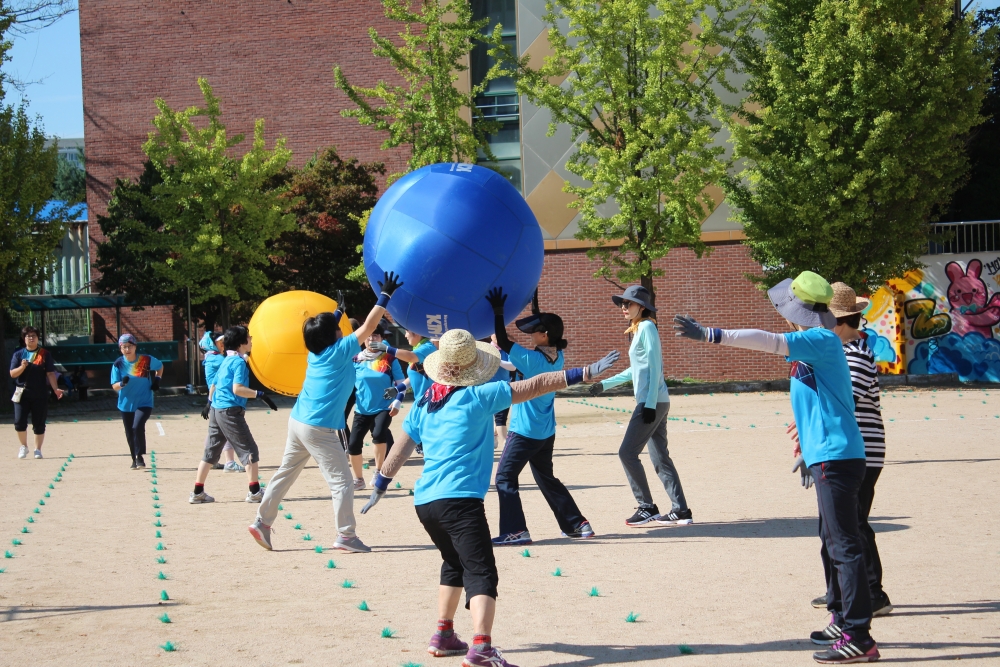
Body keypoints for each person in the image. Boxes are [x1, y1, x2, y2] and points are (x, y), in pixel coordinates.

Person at [360, 311, 618, 667]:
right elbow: (534, 385)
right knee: (482, 572)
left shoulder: (425, 401)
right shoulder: (479, 396)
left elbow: (402, 444)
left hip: (426, 503)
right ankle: (481, 647)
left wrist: (381, 483)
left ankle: (444, 633)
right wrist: (583, 373)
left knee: (453, 563)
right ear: (474, 366)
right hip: (460, 501)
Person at [672, 271, 879, 664]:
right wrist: (806, 448)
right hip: (828, 455)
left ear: (797, 310)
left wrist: (710, 335)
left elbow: (765, 341)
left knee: (845, 546)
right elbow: (821, 404)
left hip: (836, 457)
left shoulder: (817, 339)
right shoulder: (817, 344)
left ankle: (859, 635)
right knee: (832, 540)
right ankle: (841, 617)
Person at [248, 271, 404, 554]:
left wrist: (338, 311)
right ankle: (346, 535)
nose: (341, 329)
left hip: (298, 421)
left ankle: (262, 522)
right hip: (319, 427)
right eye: (337, 326)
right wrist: (386, 296)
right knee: (342, 482)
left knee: (286, 473)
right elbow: (368, 326)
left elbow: (324, 331)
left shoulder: (316, 351)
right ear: (333, 336)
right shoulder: (340, 350)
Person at [800, 283, 891, 618]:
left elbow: (843, 403)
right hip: (849, 450)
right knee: (837, 527)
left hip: (860, 451)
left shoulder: (853, 355)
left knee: (850, 526)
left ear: (837, 322)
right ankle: (840, 591)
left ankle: (871, 593)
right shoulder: (846, 351)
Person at [486, 293, 601, 544]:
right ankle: (577, 524)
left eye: (535, 331)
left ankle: (515, 530)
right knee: (546, 478)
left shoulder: (533, 360)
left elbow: (504, 341)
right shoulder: (557, 356)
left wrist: (497, 311)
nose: (531, 335)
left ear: (545, 335)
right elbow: (517, 347)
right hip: (545, 431)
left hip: (525, 431)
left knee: (504, 478)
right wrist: (535, 307)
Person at [588, 285, 692, 527]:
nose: (624, 307)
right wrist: (604, 385)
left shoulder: (647, 327)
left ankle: (646, 506)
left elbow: (656, 365)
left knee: (627, 453)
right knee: (660, 458)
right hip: (655, 401)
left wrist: (649, 404)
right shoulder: (638, 329)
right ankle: (681, 511)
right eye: (622, 304)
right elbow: (635, 369)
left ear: (642, 307)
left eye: (629, 304)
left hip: (651, 402)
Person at [190, 325, 278, 504]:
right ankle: (254, 492)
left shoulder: (226, 361)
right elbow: (237, 389)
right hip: (230, 411)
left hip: (216, 409)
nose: (251, 340)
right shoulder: (237, 362)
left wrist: (209, 404)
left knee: (211, 452)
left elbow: (213, 386)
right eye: (249, 338)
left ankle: (197, 492)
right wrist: (259, 394)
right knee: (250, 450)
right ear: (242, 342)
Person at [347, 320, 405, 489]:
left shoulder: (389, 358)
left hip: (384, 407)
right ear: (363, 338)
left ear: (381, 338)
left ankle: (379, 471)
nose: (372, 338)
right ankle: (358, 479)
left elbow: (402, 382)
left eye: (376, 335)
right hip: (362, 409)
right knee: (353, 444)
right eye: (369, 335)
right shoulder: (355, 360)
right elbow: (347, 383)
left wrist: (397, 402)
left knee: (379, 434)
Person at [379, 328, 438, 455]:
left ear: (416, 332)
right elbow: (414, 377)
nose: (405, 335)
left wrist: (388, 349)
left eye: (406, 331)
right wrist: (397, 390)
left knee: (427, 448)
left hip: (432, 405)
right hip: (422, 404)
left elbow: (411, 357)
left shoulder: (428, 347)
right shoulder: (419, 348)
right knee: (424, 448)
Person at [9, 326, 64, 459]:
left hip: (40, 393)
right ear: (24, 339)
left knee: (39, 422)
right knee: (19, 421)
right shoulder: (18, 354)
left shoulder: (45, 354)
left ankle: (37, 449)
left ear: (38, 338)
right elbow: (12, 374)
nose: (31, 338)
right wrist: (22, 366)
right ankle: (23, 446)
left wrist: (55, 389)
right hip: (22, 392)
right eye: (28, 336)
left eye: (34, 336)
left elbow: (50, 373)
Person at [110, 333, 164, 469]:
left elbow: (160, 366)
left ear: (135, 346)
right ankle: (134, 458)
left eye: (130, 346)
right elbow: (114, 386)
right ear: (120, 349)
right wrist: (122, 383)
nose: (127, 349)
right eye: (124, 347)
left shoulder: (146, 360)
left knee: (137, 426)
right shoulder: (118, 364)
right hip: (126, 404)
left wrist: (157, 380)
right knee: (129, 432)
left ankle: (139, 456)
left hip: (144, 401)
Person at [200, 332, 244, 472]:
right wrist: (243, 357)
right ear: (212, 344)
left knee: (214, 432)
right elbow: (229, 363)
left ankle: (210, 460)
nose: (223, 345)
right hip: (222, 399)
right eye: (220, 342)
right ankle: (229, 462)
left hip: (215, 398)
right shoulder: (216, 358)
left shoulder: (211, 357)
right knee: (227, 431)